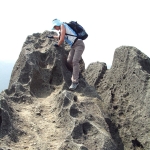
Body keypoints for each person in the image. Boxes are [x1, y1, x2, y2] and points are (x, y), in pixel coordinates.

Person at [48, 19, 85, 90]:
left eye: (55, 27)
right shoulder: (62, 28)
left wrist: (58, 44)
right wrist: (53, 37)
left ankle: (75, 82)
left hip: (79, 44)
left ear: (57, 24)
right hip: (73, 46)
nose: (55, 28)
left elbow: (61, 39)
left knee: (75, 61)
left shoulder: (62, 26)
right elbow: (61, 37)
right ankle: (76, 73)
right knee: (69, 61)